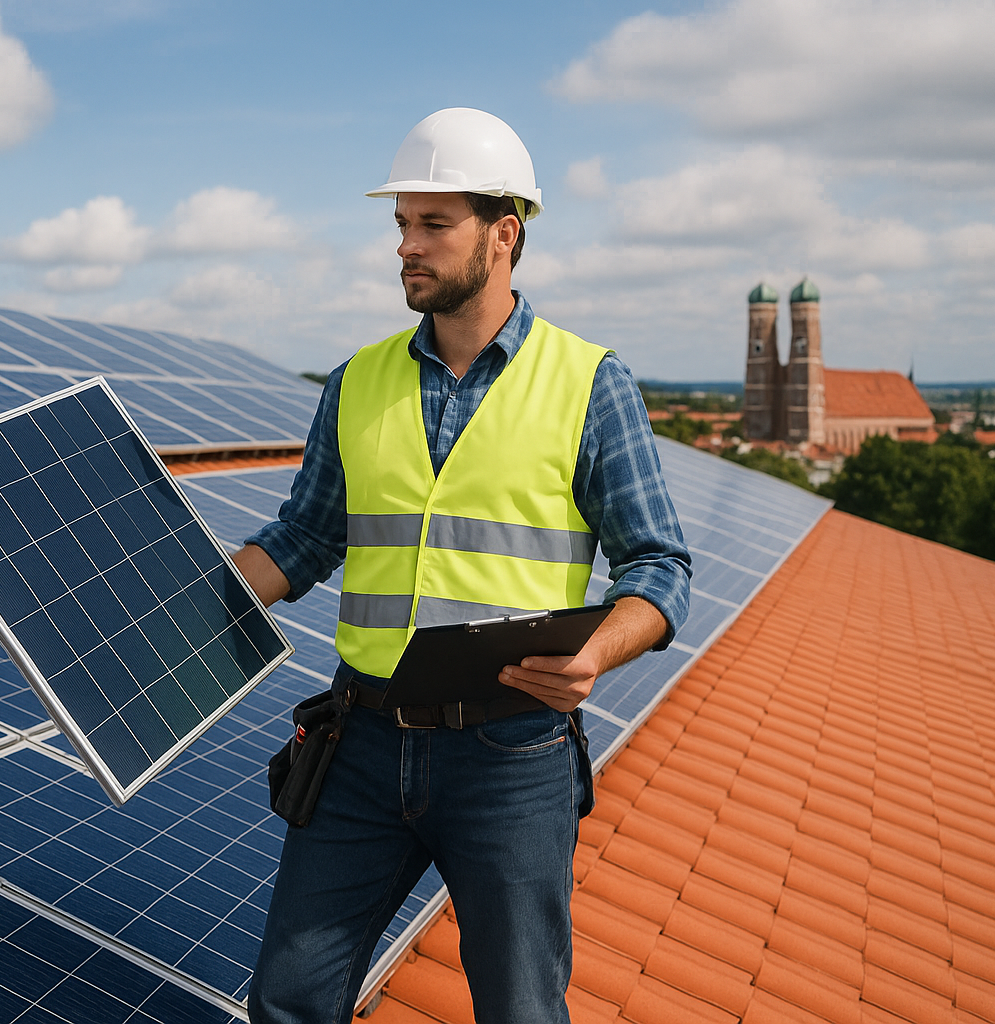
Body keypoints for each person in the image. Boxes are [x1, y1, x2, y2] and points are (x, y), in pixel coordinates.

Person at [234, 108, 693, 1023]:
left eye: (433, 225)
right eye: (402, 224)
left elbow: (660, 567)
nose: (407, 245)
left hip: (511, 755)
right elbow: (305, 539)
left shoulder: (589, 383)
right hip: (360, 744)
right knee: (287, 1002)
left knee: (521, 1011)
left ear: (504, 234)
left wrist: (595, 656)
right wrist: (179, 603)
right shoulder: (356, 381)